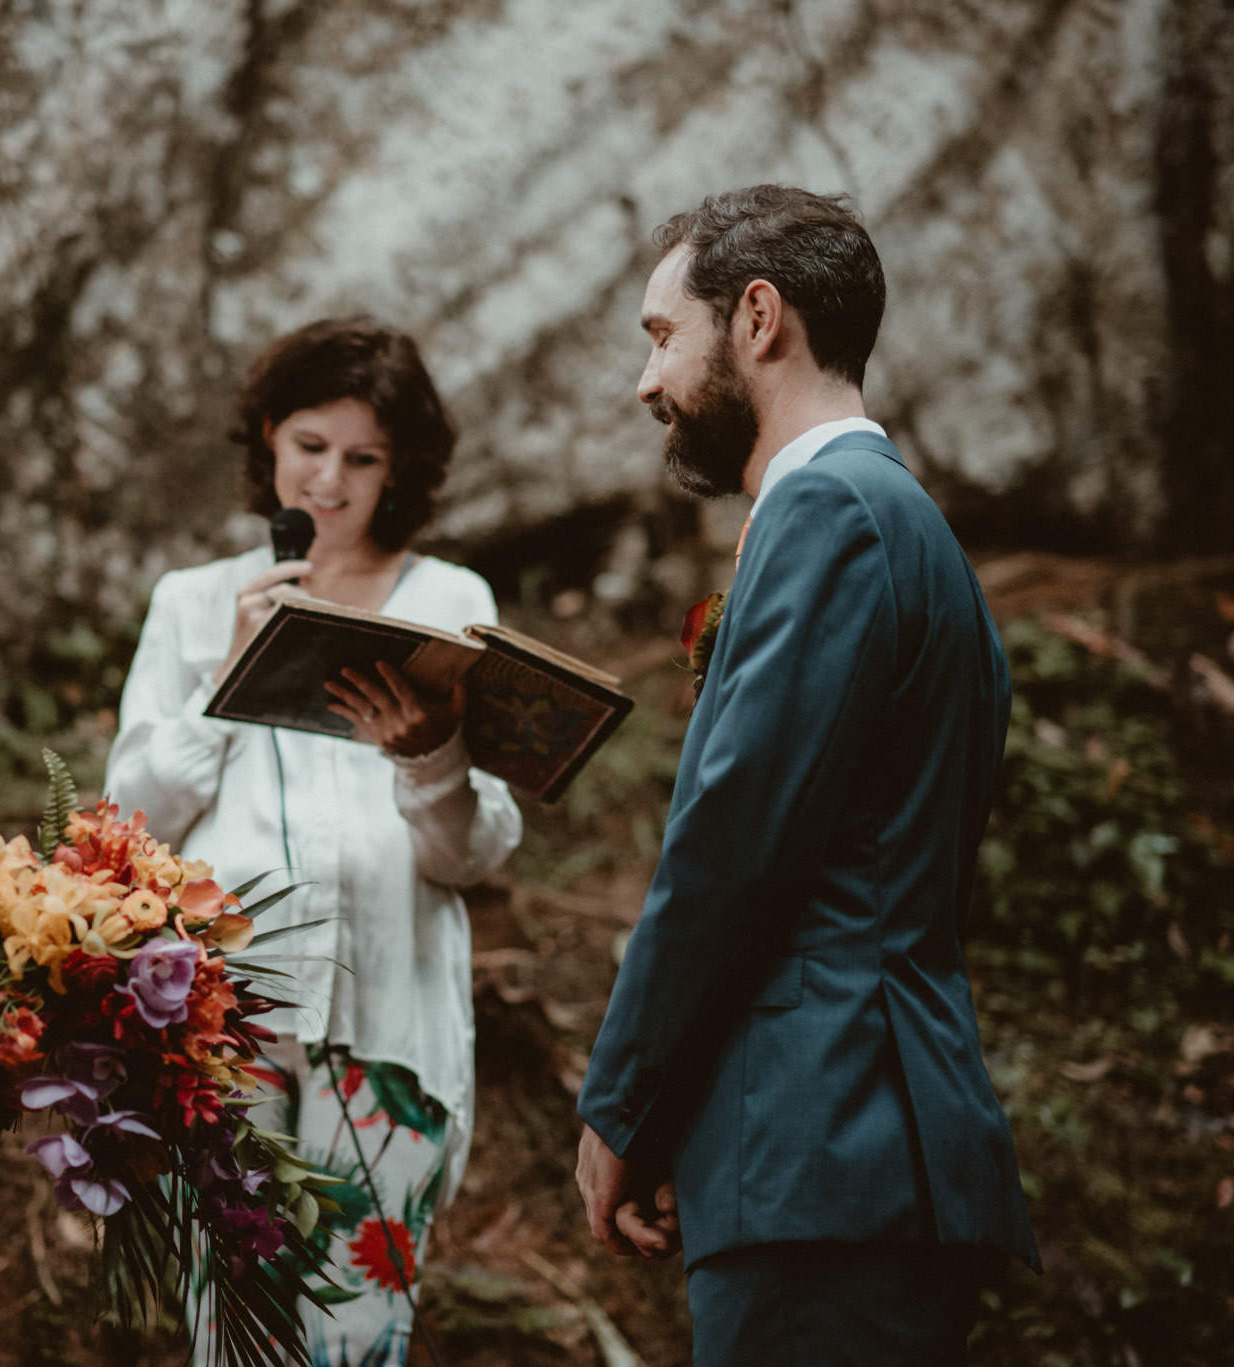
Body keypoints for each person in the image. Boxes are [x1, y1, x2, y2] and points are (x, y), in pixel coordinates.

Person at [573, 186, 1038, 1365]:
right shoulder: (912, 530)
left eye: (660, 335)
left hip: (824, 1138)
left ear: (758, 318)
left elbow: (734, 843)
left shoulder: (828, 511)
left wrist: (621, 1101)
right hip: (856, 1138)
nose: (646, 384)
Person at [105, 317, 523, 1364]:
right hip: (222, 1035)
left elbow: (473, 854)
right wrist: (225, 678)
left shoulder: (449, 604)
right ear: (266, 437)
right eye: (308, 445)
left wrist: (429, 756)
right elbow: (130, 821)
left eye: (362, 457)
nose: (329, 480)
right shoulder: (196, 601)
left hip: (388, 1030)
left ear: (400, 468)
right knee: (234, 1343)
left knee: (354, 1344)